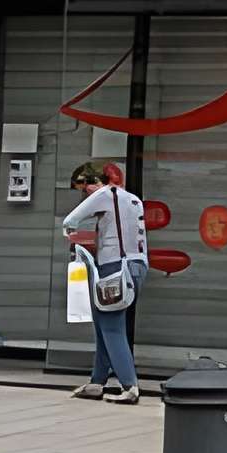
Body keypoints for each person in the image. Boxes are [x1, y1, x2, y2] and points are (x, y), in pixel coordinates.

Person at [62, 160, 148, 403]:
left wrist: (73, 236)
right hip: (137, 264)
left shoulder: (105, 194)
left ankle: (130, 386)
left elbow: (71, 220)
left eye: (82, 188)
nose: (83, 194)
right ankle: (97, 383)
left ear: (93, 182)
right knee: (103, 325)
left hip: (115, 266)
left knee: (111, 328)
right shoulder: (133, 199)